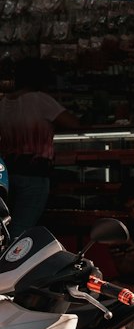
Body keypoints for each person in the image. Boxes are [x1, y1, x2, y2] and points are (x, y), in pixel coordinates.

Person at [0, 58, 79, 233]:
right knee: (22, 229)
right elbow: (73, 123)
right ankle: (12, 260)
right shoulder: (40, 100)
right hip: (34, 173)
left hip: (8, 173)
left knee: (7, 225)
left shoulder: (4, 103)